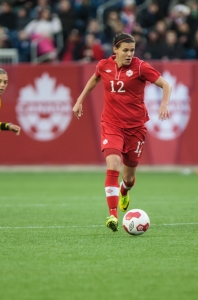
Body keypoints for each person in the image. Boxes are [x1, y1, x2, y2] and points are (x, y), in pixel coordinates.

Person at [73, 32, 172, 232]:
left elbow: (166, 84)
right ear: (115, 50)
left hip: (135, 128)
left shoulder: (141, 67)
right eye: (125, 50)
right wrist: (79, 100)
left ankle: (124, 191)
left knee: (128, 178)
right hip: (111, 124)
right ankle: (112, 215)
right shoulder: (104, 65)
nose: (129, 54)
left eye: (132, 50)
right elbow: (94, 79)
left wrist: (164, 104)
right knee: (113, 163)